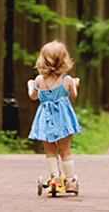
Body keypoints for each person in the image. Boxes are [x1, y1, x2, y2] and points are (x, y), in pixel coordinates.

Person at [27, 40, 82, 194]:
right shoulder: (67, 80)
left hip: (45, 120)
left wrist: (30, 86)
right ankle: (70, 180)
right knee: (65, 151)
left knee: (50, 151)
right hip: (63, 120)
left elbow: (33, 96)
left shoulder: (39, 80)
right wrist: (75, 86)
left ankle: (55, 177)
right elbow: (72, 97)